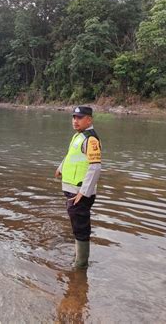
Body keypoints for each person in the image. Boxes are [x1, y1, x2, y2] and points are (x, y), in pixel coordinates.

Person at [55, 106, 102, 268]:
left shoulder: (91, 139)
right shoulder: (78, 136)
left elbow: (95, 167)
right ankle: (78, 259)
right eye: (74, 117)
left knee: (81, 227)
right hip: (73, 191)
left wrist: (84, 192)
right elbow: (71, 155)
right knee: (77, 225)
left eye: (79, 118)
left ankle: (80, 266)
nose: (75, 121)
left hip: (79, 192)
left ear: (89, 119)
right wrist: (61, 167)